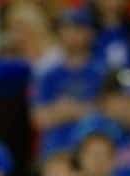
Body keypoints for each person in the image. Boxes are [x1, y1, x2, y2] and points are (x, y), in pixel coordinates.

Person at [31, 8, 106, 160]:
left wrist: (66, 109)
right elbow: (39, 119)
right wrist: (81, 110)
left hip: (91, 153)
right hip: (54, 152)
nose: (72, 35)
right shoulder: (47, 72)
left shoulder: (101, 71)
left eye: (78, 29)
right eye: (67, 29)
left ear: (90, 33)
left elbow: (107, 113)